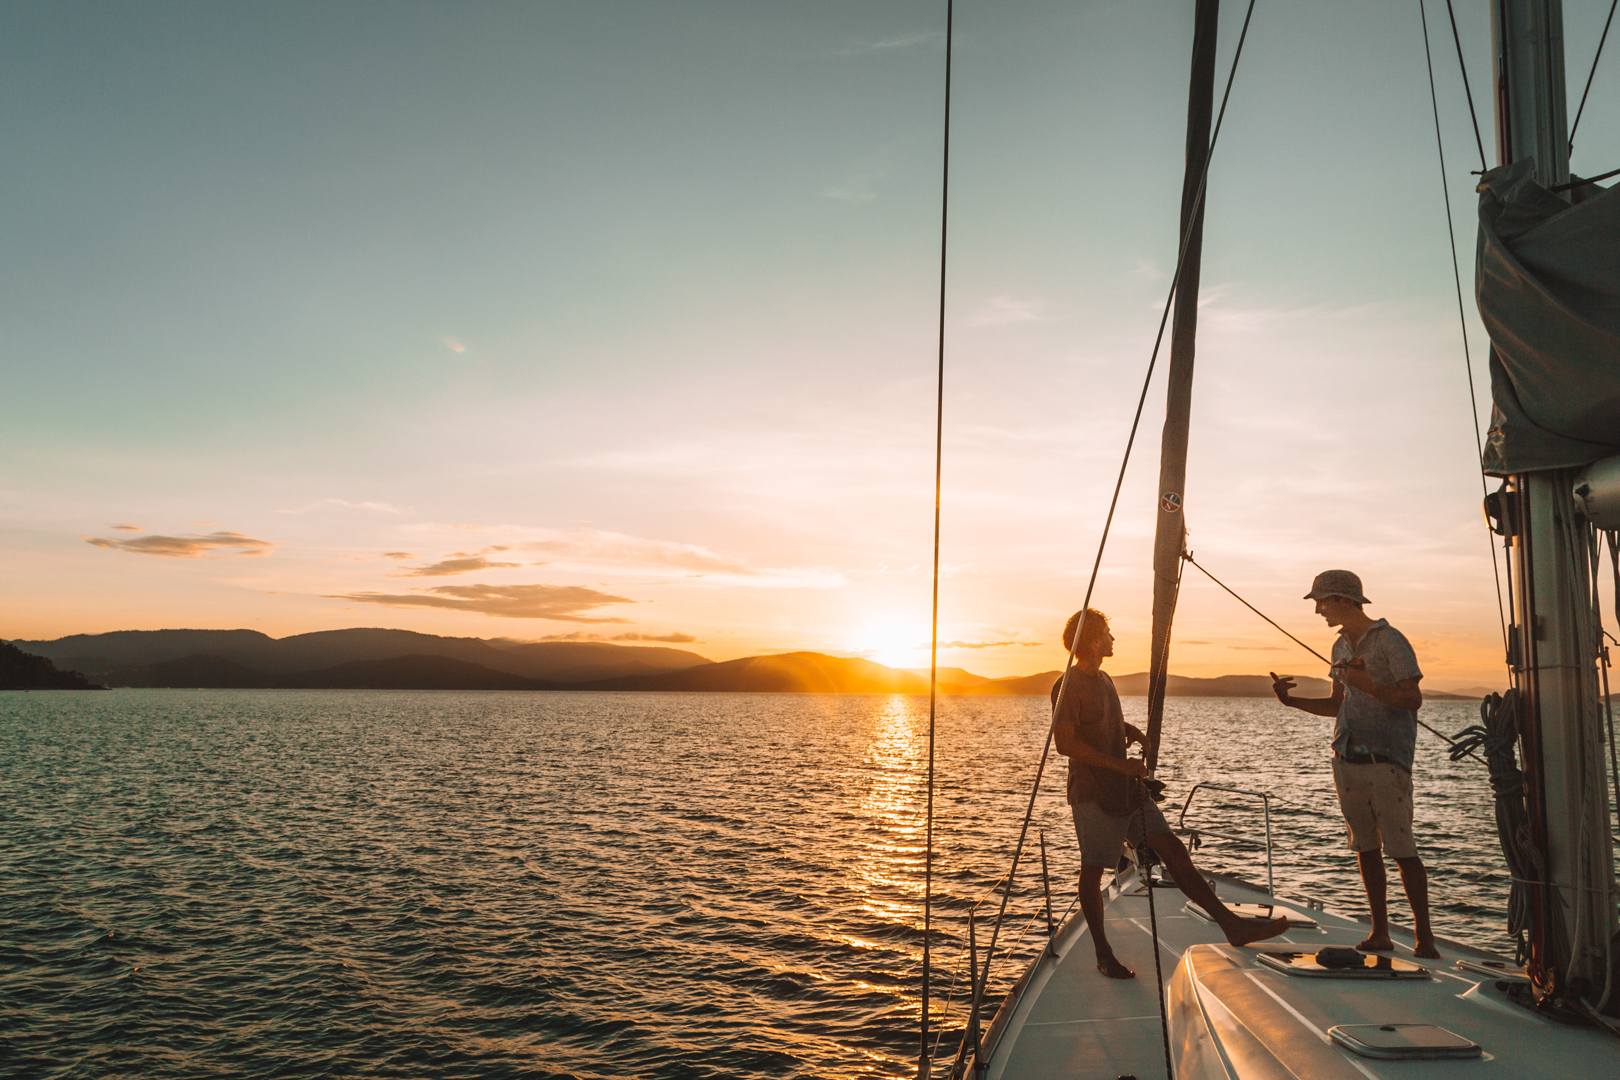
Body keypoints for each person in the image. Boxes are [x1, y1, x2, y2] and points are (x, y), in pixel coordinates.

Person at [1054, 607, 1288, 980]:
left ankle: (1231, 925)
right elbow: (1066, 744)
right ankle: (1103, 953)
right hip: (1094, 793)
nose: (1113, 639)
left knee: (1174, 850)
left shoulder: (1105, 679)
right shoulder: (1068, 685)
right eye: (1108, 634)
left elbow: (1098, 722)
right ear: (1094, 640)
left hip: (1127, 791)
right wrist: (1122, 766)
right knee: (1093, 870)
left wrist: (1129, 729)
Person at [1270, 569, 1439, 959]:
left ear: (1343, 600)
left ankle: (1425, 938)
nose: (1318, 610)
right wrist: (1290, 702)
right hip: (1346, 759)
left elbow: (1412, 699)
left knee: (1402, 850)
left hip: (1386, 760)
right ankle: (1380, 933)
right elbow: (1337, 705)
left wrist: (1369, 687)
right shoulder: (1339, 647)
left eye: (1321, 602)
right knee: (1365, 848)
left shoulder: (1391, 640)